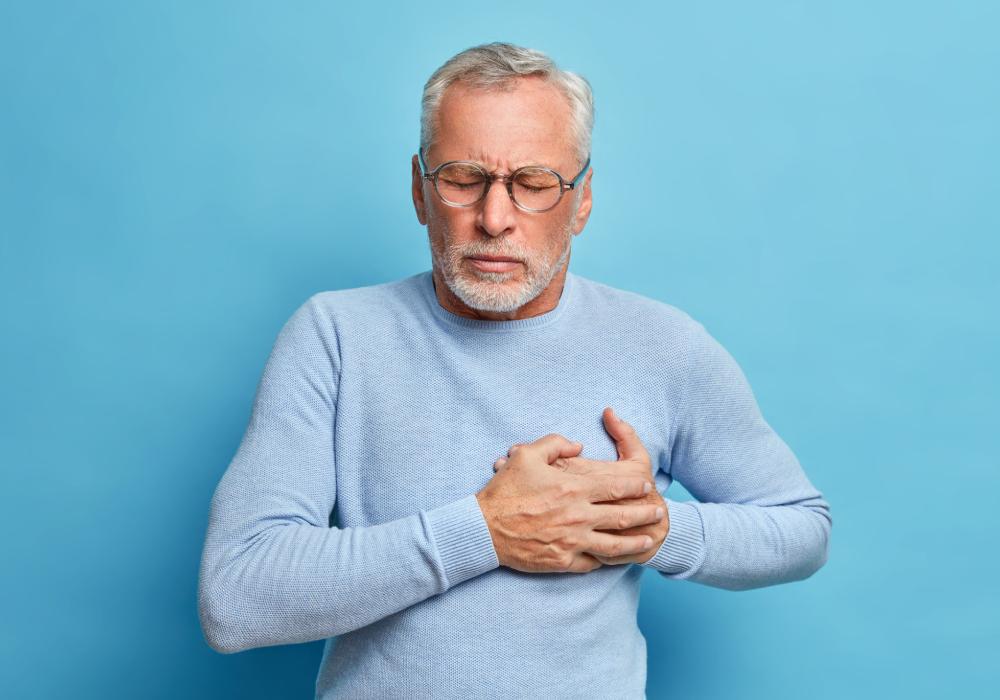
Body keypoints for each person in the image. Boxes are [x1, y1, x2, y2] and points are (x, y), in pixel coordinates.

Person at [197, 42, 832, 699]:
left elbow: (802, 528)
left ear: (582, 199)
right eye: (463, 180)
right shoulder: (336, 336)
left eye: (533, 185)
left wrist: (653, 528)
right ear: (419, 189)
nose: (495, 219)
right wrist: (485, 532)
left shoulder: (666, 346)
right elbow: (238, 594)